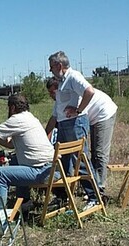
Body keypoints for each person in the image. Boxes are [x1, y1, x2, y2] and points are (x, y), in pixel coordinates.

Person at [0, 94, 57, 208]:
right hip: (54, 169)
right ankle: (24, 202)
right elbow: (11, 145)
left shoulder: (17, 119)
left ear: (12, 108)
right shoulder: (31, 118)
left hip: (42, 172)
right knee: (15, 161)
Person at [46, 76, 117, 199]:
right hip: (90, 116)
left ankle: (99, 189)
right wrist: (44, 140)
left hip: (103, 113)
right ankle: (87, 186)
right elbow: (53, 120)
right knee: (85, 154)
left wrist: (77, 110)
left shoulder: (74, 95)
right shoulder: (60, 99)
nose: (51, 95)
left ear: (59, 89)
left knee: (99, 152)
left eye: (52, 92)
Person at [45, 51, 99, 210]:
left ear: (59, 65)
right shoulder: (61, 81)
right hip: (64, 125)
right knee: (63, 161)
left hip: (75, 123)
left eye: (51, 67)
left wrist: (78, 110)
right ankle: (63, 197)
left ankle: (94, 197)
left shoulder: (73, 76)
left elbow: (90, 91)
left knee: (79, 160)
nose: (50, 71)